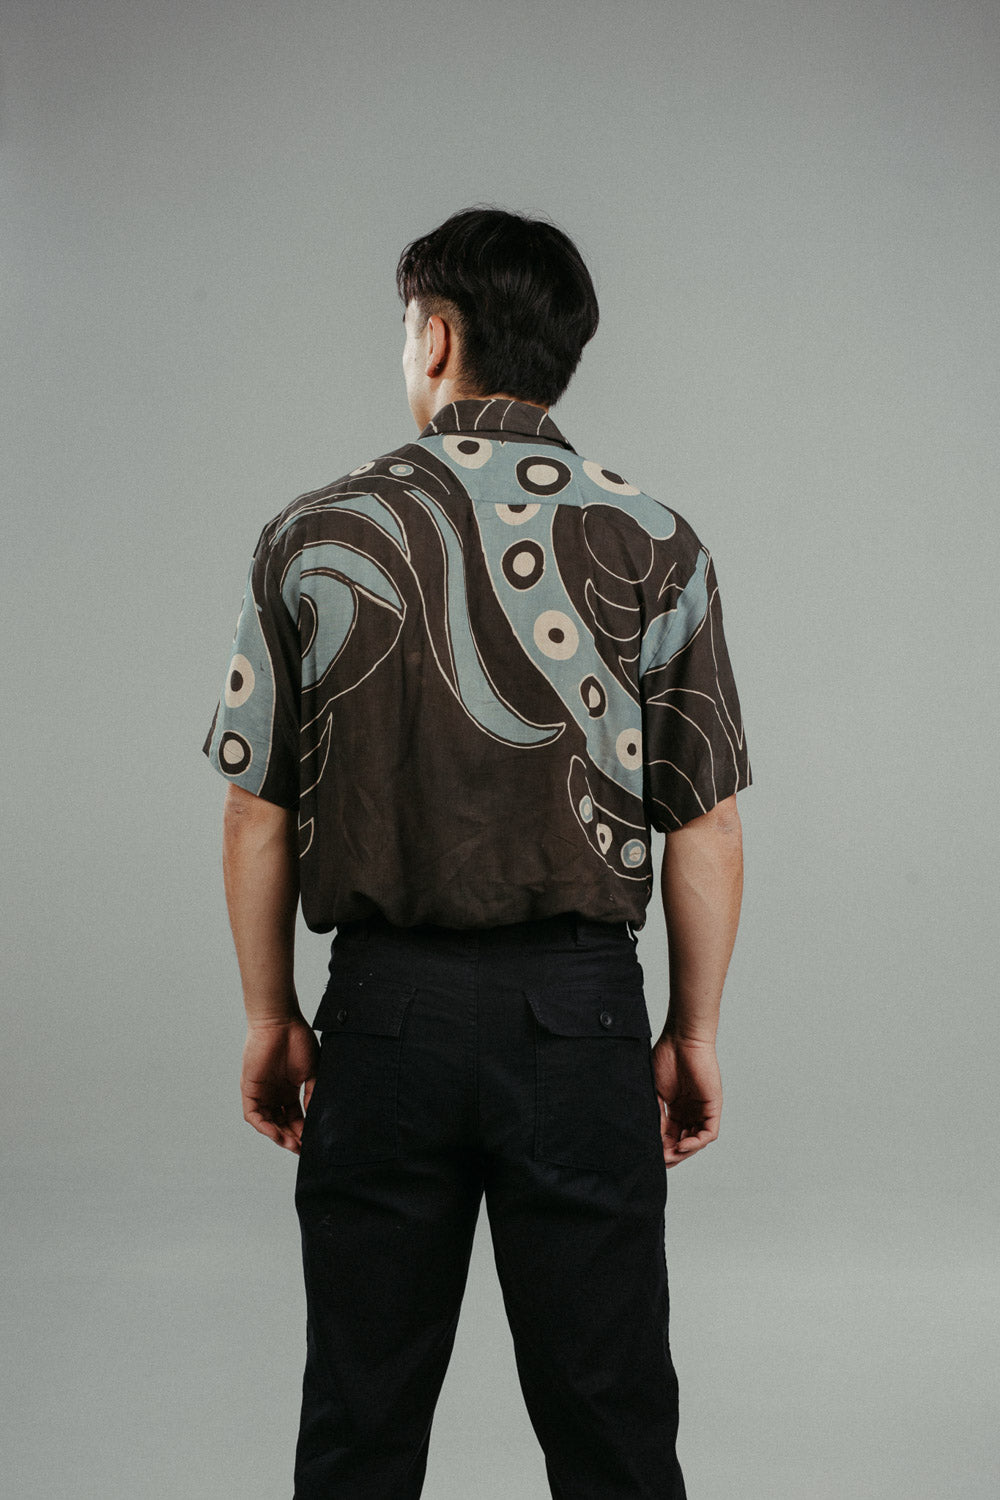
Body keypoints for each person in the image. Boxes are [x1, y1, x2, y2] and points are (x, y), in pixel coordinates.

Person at [204, 206, 750, 1500]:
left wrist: (271, 1014)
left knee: (360, 1417)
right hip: (579, 1021)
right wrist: (694, 1032)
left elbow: (255, 812)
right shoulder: (656, 542)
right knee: (611, 1421)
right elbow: (706, 821)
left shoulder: (313, 535)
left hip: (383, 1018)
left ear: (435, 335)